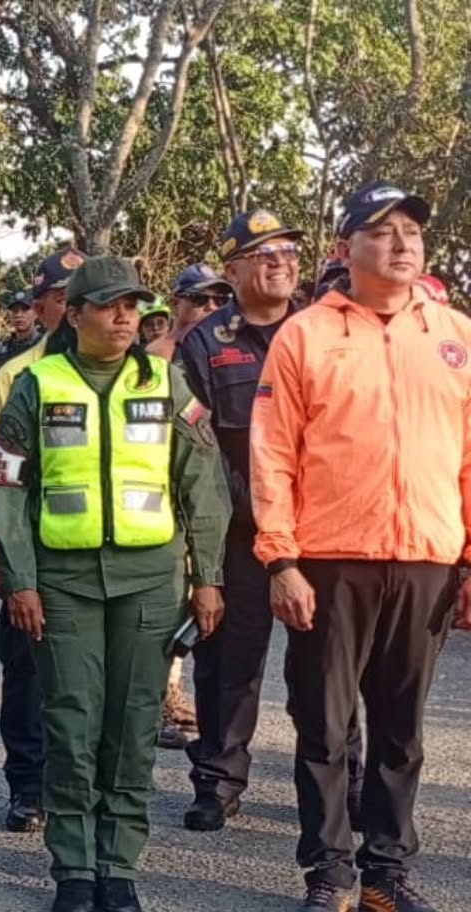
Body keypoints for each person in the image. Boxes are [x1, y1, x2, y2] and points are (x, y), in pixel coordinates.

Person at [0, 254, 230, 912]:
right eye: (110, 305)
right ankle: (72, 866)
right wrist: (20, 579)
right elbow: (4, 488)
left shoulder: (166, 384)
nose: (125, 317)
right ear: (78, 312)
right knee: (71, 723)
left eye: (133, 306)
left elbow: (203, 484)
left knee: (131, 725)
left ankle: (118, 866)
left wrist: (207, 576)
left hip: (149, 582)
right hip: (63, 585)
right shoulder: (37, 384)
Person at [253, 182, 471, 912]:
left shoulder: (455, 335)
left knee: (403, 729)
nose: (402, 243)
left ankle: (387, 873)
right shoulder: (307, 335)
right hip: (330, 561)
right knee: (325, 724)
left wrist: (468, 555)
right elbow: (272, 455)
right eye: (382, 231)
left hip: (426, 561)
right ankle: (328, 873)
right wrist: (281, 559)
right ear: (345, 250)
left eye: (411, 229)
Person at [177, 209, 362, 833]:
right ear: (232, 272)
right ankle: (219, 781)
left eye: (287, 250)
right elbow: (199, 452)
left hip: (324, 535)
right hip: (241, 536)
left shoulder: (325, 333)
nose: (280, 261)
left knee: (331, 666)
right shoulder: (207, 343)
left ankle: (349, 782)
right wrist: (259, 510)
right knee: (229, 660)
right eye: (263, 254)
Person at [0, 248, 83, 832]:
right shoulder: (17, 375)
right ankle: (28, 787)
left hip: (100, 561)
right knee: (28, 677)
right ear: (40, 306)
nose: (74, 307)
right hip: (33, 558)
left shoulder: (140, 374)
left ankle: (80, 789)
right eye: (62, 296)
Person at [147, 263, 231, 748]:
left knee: (202, 606)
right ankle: (158, 701)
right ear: (176, 303)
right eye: (200, 300)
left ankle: (175, 691)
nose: (210, 310)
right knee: (166, 610)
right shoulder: (157, 360)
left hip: (209, 497)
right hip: (163, 503)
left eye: (219, 301)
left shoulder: (228, 354)